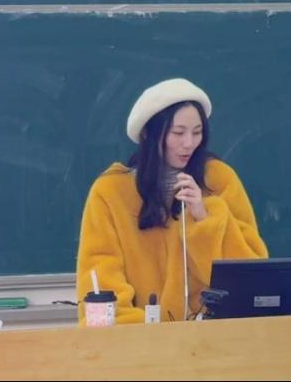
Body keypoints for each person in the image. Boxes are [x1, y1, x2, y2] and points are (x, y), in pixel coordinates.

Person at [76, 78, 268, 324]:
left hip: (215, 334)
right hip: (143, 339)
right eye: (178, 133)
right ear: (148, 133)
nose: (189, 143)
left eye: (197, 132)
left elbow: (251, 277)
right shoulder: (111, 192)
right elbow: (101, 276)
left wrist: (205, 217)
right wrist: (145, 332)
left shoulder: (219, 180)